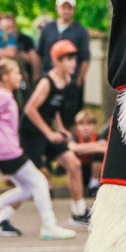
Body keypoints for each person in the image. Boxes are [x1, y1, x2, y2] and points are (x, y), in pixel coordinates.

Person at [0, 58, 73, 239]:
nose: (20, 76)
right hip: (6, 151)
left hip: (8, 150)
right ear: (5, 77)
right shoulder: (2, 95)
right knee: (40, 182)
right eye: (16, 73)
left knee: (28, 188)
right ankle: (49, 226)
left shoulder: (7, 95)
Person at [23, 40, 88, 221]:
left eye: (74, 59)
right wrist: (49, 133)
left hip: (46, 131)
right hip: (31, 133)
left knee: (74, 165)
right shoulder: (46, 82)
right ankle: (0, 215)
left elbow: (54, 108)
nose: (73, 63)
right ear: (56, 61)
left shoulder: (66, 80)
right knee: (32, 181)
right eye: (68, 59)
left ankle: (79, 212)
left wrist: (60, 128)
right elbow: (30, 109)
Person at [36, 0, 93, 75]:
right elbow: (38, 54)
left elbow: (85, 58)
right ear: (57, 8)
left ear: (74, 9)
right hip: (48, 75)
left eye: (69, 8)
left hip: (71, 77)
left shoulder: (81, 31)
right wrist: (37, 76)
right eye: (63, 7)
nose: (66, 11)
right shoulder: (47, 28)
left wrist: (78, 81)